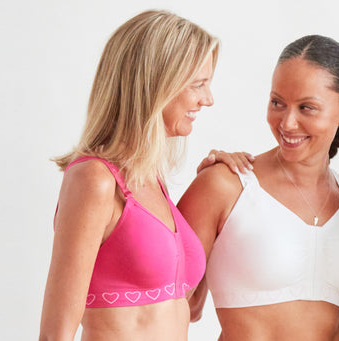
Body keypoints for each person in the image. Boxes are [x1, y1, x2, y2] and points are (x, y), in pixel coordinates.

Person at [38, 10, 218, 341]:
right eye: (198, 84)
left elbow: (190, 308)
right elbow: (55, 334)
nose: (207, 99)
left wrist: (217, 182)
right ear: (156, 84)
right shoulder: (94, 179)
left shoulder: (151, 179)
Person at [179, 35, 339, 341]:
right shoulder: (224, 185)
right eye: (277, 102)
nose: (287, 123)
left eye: (306, 108)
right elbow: (178, 305)